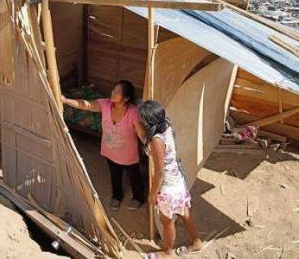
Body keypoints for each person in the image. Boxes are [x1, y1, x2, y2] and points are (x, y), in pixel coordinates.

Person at [61, 80, 146, 211]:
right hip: (110, 152)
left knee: (134, 177)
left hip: (129, 155)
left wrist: (149, 145)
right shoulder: (105, 104)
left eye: (117, 92)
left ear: (126, 97)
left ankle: (138, 198)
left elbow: (141, 132)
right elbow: (86, 105)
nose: (113, 93)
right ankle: (117, 196)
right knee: (115, 175)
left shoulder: (133, 112)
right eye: (113, 90)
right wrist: (66, 100)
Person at [138, 100, 202, 258]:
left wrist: (152, 196)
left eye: (141, 118)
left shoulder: (156, 140)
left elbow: (159, 172)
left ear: (147, 121)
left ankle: (167, 252)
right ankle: (196, 241)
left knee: (167, 222)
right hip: (178, 180)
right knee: (184, 214)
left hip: (168, 187)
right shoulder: (166, 126)